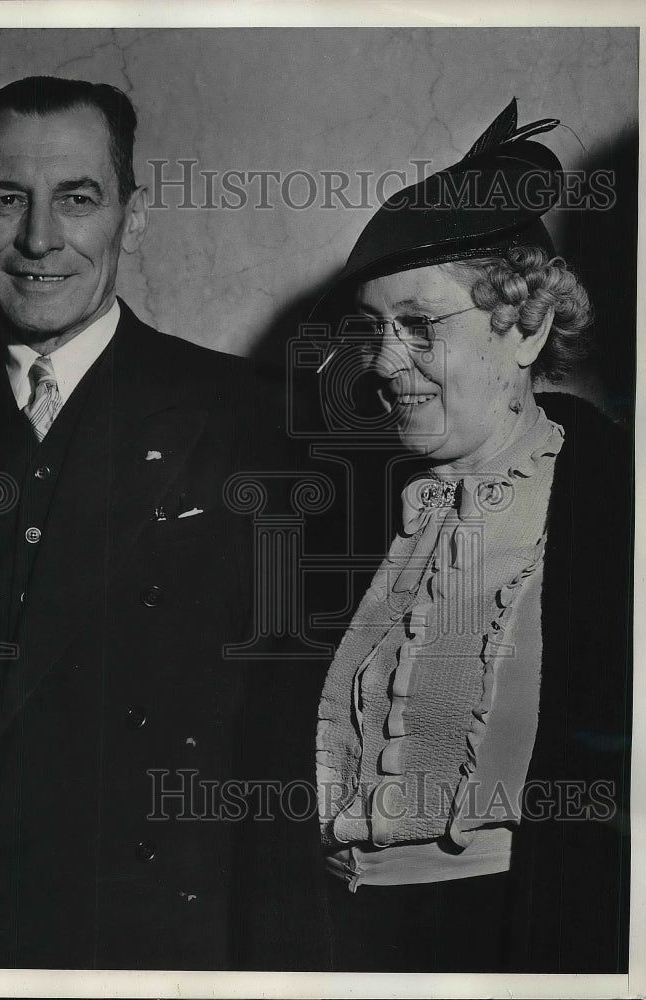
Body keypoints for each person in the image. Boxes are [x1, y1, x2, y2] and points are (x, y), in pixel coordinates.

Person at [0, 76, 270, 970]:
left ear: (130, 220)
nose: (38, 241)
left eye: (77, 198)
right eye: (6, 198)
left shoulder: (243, 413)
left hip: (152, 932)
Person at [309, 100, 633, 973]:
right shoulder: (354, 502)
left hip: (512, 939)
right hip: (341, 940)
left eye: (420, 327)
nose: (382, 361)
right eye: (373, 330)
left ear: (526, 326)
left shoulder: (610, 498)